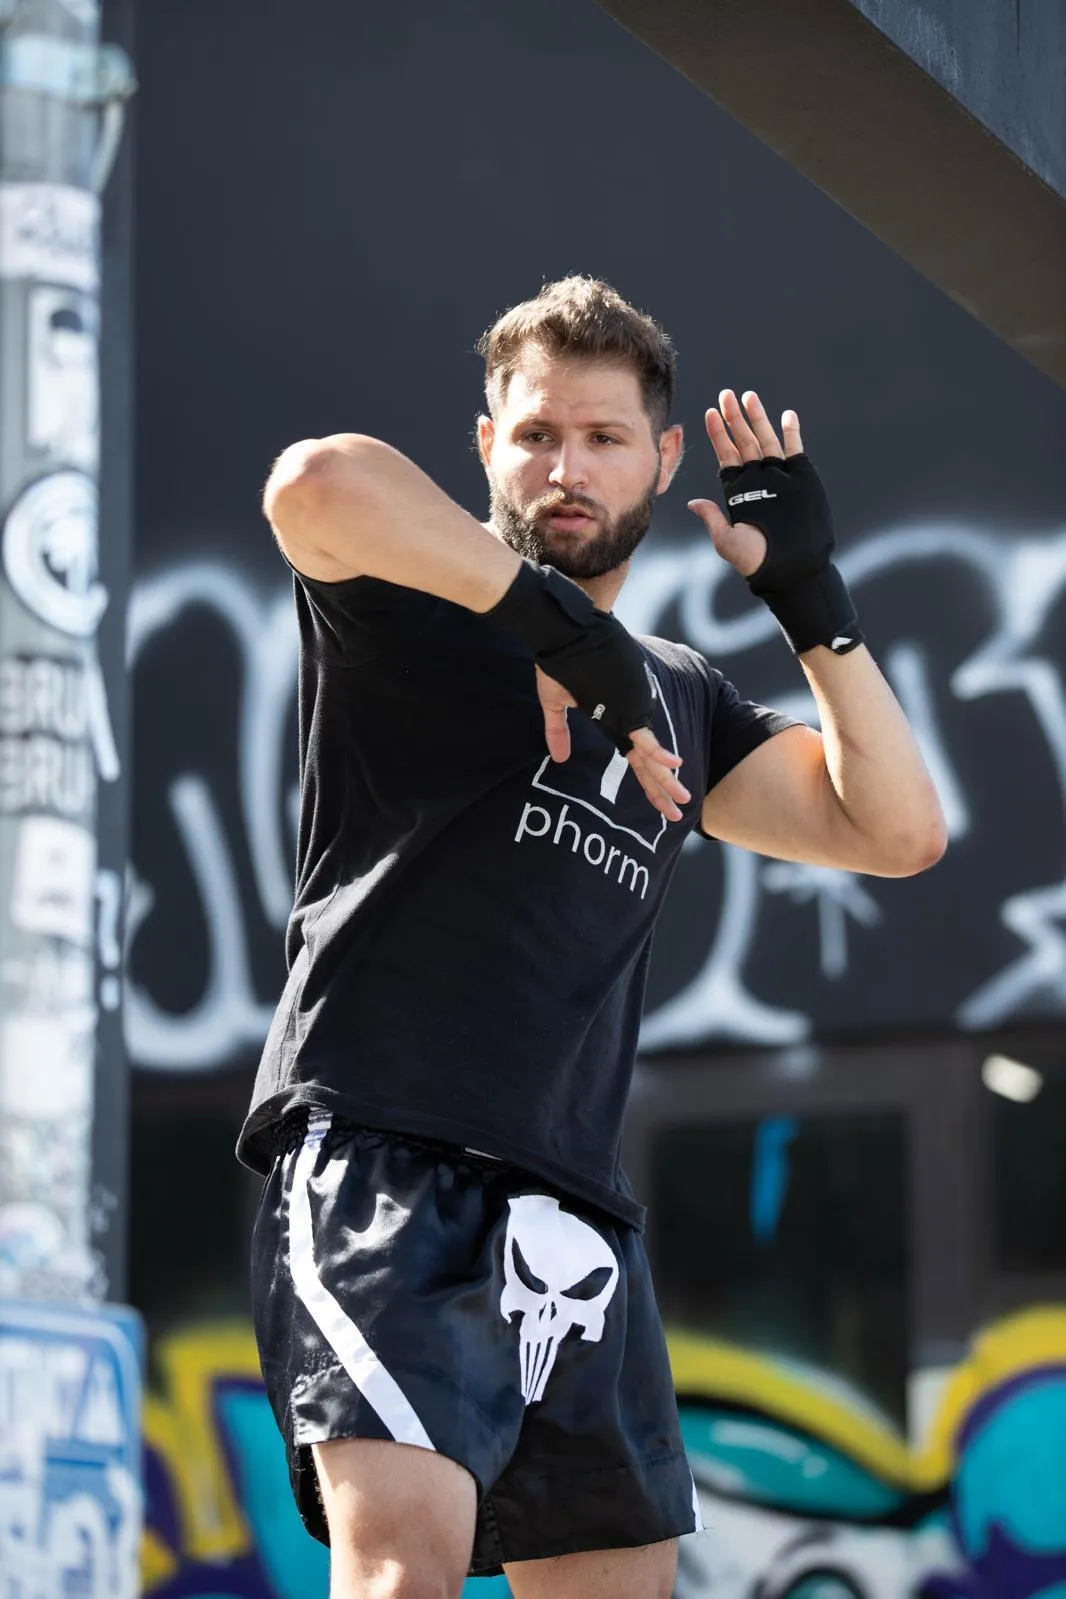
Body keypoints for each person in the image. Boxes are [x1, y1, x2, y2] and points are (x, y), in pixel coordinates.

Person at [238, 277, 945, 1599]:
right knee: (404, 1564)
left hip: (570, 1211)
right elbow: (313, 484)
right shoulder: (413, 596)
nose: (566, 467)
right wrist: (553, 623)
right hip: (383, 1153)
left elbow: (894, 830)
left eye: (605, 438)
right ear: (486, 444)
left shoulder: (681, 697)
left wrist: (812, 603)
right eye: (535, 434)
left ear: (664, 459)